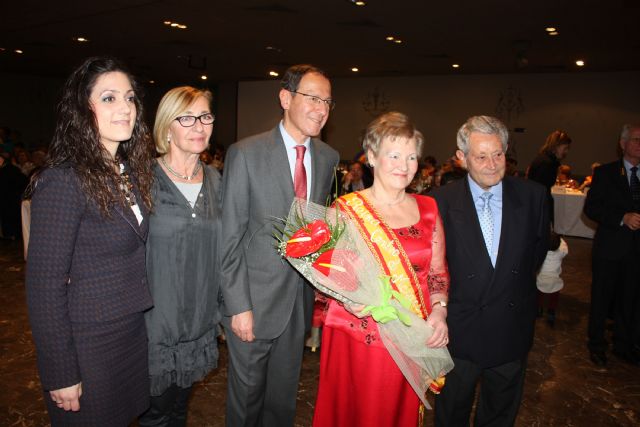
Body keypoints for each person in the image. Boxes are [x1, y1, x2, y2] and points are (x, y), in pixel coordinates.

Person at [25, 56, 155, 425]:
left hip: (127, 334)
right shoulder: (64, 180)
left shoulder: (126, 172)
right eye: (109, 98)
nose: (125, 108)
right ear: (83, 109)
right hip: (87, 344)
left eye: (130, 98)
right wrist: (61, 372)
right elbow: (43, 285)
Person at [219, 64, 339, 426]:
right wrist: (238, 306)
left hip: (297, 306)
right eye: (313, 98)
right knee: (246, 405)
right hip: (252, 306)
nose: (322, 109)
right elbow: (230, 238)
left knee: (282, 404)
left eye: (328, 101)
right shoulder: (246, 153)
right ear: (286, 98)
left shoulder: (328, 158)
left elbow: (318, 231)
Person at [313, 111, 450, 426]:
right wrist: (347, 299)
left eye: (411, 156)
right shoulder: (345, 210)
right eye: (394, 155)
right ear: (371, 156)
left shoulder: (429, 209)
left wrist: (439, 310)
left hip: (408, 336)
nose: (404, 165)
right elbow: (326, 279)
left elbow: (438, 274)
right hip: (356, 338)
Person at [431, 115, 549, 426]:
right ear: (461, 158)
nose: (492, 164)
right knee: (451, 413)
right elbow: (435, 267)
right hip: (460, 331)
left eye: (498, 154)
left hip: (510, 328)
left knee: (500, 413)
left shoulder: (534, 196)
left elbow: (532, 258)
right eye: (481, 156)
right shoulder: (439, 202)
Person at [139, 87, 223, 426]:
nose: (198, 126)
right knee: (156, 414)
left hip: (199, 322)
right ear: (166, 127)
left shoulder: (217, 180)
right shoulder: (141, 179)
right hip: (154, 323)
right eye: (186, 118)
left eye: (205, 116)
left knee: (177, 411)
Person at [583, 124, 640, 367]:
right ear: (623, 144)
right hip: (610, 248)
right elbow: (592, 208)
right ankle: (596, 344)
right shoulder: (606, 173)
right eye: (637, 139)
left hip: (636, 251)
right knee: (602, 298)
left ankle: (624, 344)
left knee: (631, 298)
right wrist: (622, 218)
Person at [528, 130, 572, 222]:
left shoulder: (544, 159)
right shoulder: (547, 163)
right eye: (565, 148)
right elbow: (540, 189)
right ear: (556, 146)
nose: (566, 152)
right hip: (539, 206)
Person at [536, 230, 569, 327]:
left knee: (539, 295)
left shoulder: (542, 253)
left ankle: (539, 309)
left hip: (541, 279)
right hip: (554, 280)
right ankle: (551, 312)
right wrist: (561, 239)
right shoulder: (561, 252)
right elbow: (565, 248)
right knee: (554, 297)